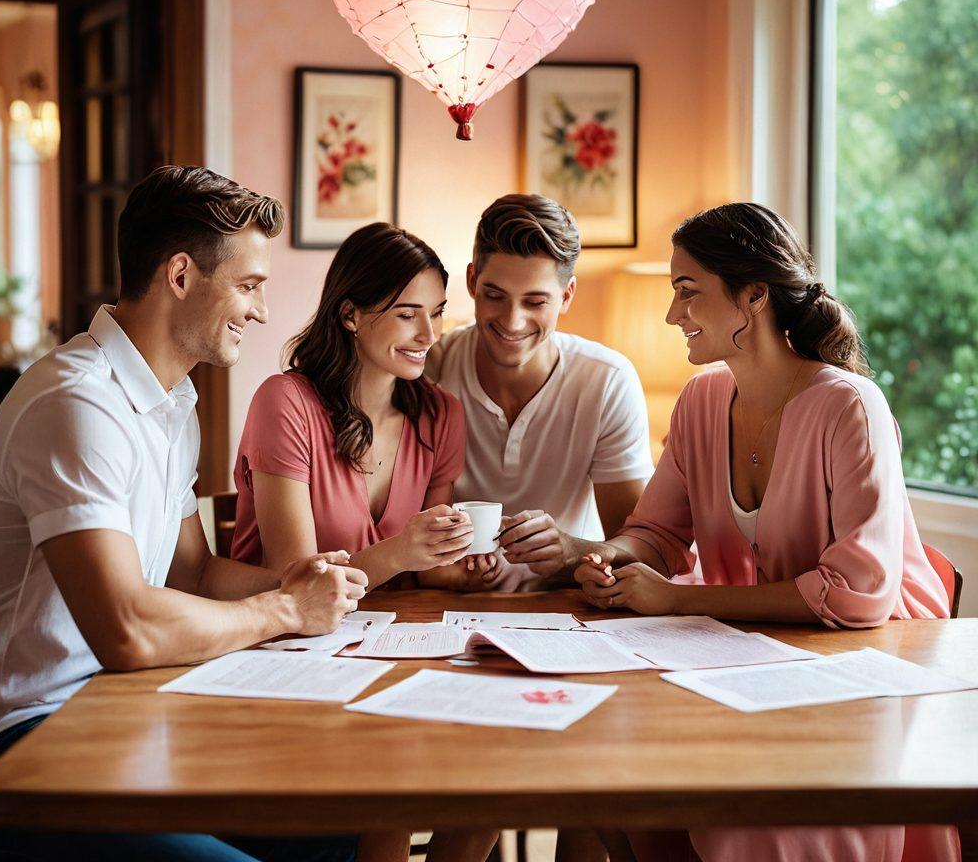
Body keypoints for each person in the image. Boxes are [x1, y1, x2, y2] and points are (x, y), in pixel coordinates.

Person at [0, 166, 367, 862]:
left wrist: (302, 583)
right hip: (18, 745)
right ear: (181, 276)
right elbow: (125, 630)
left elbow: (194, 571)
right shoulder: (76, 403)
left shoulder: (174, 404)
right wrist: (285, 613)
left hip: (126, 712)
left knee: (331, 823)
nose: (262, 311)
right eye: (249, 285)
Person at [573, 202, 956, 862]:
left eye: (687, 292)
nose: (673, 315)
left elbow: (859, 594)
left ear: (753, 296)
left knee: (751, 822)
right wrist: (614, 555)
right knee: (606, 767)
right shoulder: (700, 401)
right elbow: (657, 530)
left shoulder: (849, 406)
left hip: (872, 668)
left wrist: (676, 599)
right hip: (745, 665)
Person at [230, 221, 496, 862]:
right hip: (280, 653)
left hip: (390, 647)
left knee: (498, 777)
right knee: (398, 774)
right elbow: (297, 580)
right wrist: (401, 554)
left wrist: (454, 568)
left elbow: (423, 563)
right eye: (407, 315)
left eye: (435, 314)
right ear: (350, 314)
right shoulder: (286, 403)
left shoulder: (439, 414)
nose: (430, 336)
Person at [424, 194, 655, 593]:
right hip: (446, 604)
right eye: (494, 295)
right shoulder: (432, 368)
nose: (512, 322)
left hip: (563, 610)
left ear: (566, 296)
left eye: (535, 302)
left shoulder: (606, 382)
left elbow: (645, 547)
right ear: (471, 281)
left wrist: (571, 552)